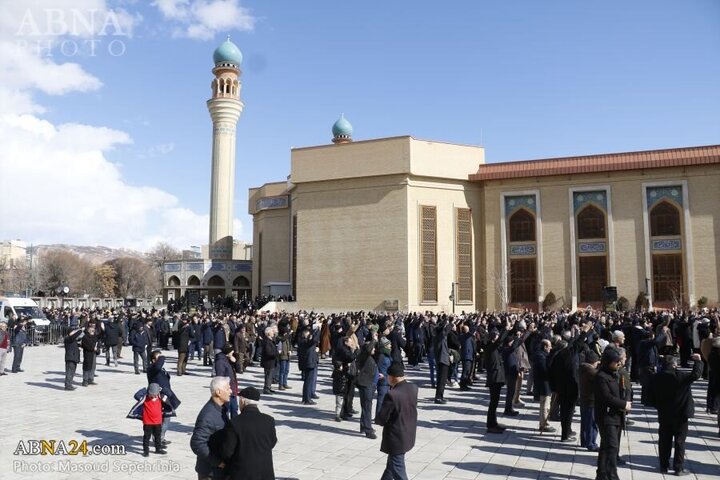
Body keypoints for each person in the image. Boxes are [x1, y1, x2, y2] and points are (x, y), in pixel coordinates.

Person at [648, 353, 703, 475]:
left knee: (664, 440)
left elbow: (650, 397)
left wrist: (659, 406)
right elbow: (696, 375)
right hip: (681, 413)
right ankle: (678, 467)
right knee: (680, 441)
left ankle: (663, 465)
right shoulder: (680, 376)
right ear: (674, 364)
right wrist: (698, 362)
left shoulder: (656, 377)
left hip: (664, 413)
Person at [220, 387, 278, 480]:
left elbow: (227, 452)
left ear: (242, 401)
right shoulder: (269, 420)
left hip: (242, 473)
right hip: (265, 473)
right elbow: (272, 442)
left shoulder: (235, 423)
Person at [375, 361, 418, 480]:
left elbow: (381, 419)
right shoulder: (413, 388)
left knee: (398, 470)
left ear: (392, 377)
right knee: (391, 465)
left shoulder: (393, 395)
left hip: (396, 438)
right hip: (408, 433)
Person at [594, 347, 631, 480]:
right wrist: (623, 404)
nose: (618, 364)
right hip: (606, 416)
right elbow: (606, 397)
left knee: (606, 446)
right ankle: (612, 475)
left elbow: (622, 390)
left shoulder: (615, 373)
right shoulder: (601, 376)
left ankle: (602, 474)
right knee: (612, 447)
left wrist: (626, 399)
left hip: (616, 415)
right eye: (616, 362)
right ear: (608, 361)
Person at [191, 376, 231, 480]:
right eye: (227, 389)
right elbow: (197, 443)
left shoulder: (222, 409)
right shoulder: (208, 415)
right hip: (210, 472)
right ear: (218, 392)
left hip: (219, 471)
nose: (230, 391)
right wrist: (217, 461)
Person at [147, 350, 181, 446]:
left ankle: (160, 438)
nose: (162, 359)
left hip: (165, 396)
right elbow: (158, 366)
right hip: (157, 397)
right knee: (161, 419)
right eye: (159, 358)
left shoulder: (160, 368)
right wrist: (162, 357)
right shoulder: (151, 368)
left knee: (166, 418)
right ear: (154, 360)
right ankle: (158, 439)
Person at [484, 324, 510, 433]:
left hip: (497, 379)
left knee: (495, 403)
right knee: (493, 403)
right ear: (494, 337)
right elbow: (499, 341)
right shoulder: (490, 346)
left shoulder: (494, 347)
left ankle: (494, 423)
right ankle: (491, 425)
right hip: (494, 379)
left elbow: (501, 343)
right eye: (497, 336)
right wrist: (506, 329)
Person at [356, 337, 379, 439]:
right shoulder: (364, 355)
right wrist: (373, 339)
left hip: (368, 383)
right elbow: (369, 349)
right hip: (366, 384)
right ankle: (368, 430)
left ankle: (363, 426)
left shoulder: (367, 357)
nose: (374, 349)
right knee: (367, 407)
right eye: (373, 348)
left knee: (365, 407)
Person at [532, 338, 555, 432]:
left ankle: (543, 422)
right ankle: (544, 424)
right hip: (544, 384)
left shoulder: (542, 354)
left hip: (544, 383)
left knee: (545, 404)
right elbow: (544, 370)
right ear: (545, 347)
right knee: (545, 405)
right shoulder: (540, 356)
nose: (551, 348)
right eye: (549, 346)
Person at [579, 350, 600, 451]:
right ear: (593, 361)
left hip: (584, 399)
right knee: (591, 423)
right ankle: (591, 443)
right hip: (591, 400)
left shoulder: (583, 368)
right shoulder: (591, 372)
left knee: (585, 422)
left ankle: (584, 441)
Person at [142, 383, 168, 457]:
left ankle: (158, 449)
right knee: (146, 437)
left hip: (157, 421)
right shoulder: (145, 398)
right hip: (147, 422)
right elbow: (136, 395)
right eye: (151, 393)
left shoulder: (160, 398)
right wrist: (145, 391)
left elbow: (168, 393)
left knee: (158, 436)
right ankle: (146, 451)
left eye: (155, 393)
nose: (153, 395)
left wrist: (162, 390)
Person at [214, 345, 239, 418]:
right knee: (226, 410)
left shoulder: (228, 360)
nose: (233, 352)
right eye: (232, 351)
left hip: (232, 389)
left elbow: (239, 369)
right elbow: (220, 377)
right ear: (228, 352)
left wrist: (234, 362)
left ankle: (234, 426)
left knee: (234, 409)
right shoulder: (220, 362)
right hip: (226, 390)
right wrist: (225, 389)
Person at [297, 326, 319, 404]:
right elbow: (313, 341)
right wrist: (317, 331)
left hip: (308, 362)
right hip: (308, 363)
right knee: (308, 382)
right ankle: (307, 399)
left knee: (308, 381)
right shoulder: (304, 341)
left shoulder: (304, 341)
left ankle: (306, 398)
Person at [81, 322, 99, 386]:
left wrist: (97, 349)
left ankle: (91, 379)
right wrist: (92, 348)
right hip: (87, 354)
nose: (92, 331)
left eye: (93, 330)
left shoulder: (95, 337)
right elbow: (85, 346)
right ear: (88, 330)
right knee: (87, 367)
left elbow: (97, 344)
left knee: (93, 367)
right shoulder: (85, 337)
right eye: (91, 330)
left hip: (93, 353)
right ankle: (85, 380)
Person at [261, 326, 278, 394]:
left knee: (270, 375)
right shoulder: (267, 341)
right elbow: (268, 352)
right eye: (271, 332)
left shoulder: (270, 340)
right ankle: (266, 389)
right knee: (268, 375)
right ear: (268, 333)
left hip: (271, 361)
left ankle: (269, 387)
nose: (273, 333)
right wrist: (276, 353)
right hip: (268, 361)